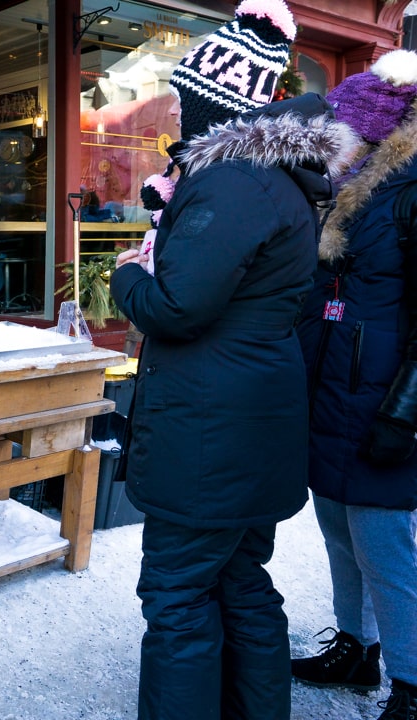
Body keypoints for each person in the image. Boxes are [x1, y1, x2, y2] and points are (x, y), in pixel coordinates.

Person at [107, 1, 358, 717]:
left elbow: (178, 307)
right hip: (251, 419)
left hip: (210, 433)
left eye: (186, 103)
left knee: (179, 593)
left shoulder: (231, 182)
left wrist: (129, 270)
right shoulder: (271, 179)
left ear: (212, 107)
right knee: (242, 579)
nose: (178, 120)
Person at [291, 49, 417, 720]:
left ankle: (413, 685)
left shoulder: (411, 187)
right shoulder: (340, 189)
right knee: (337, 528)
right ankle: (355, 650)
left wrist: (405, 413)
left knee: (385, 547)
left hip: (384, 399)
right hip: (333, 390)